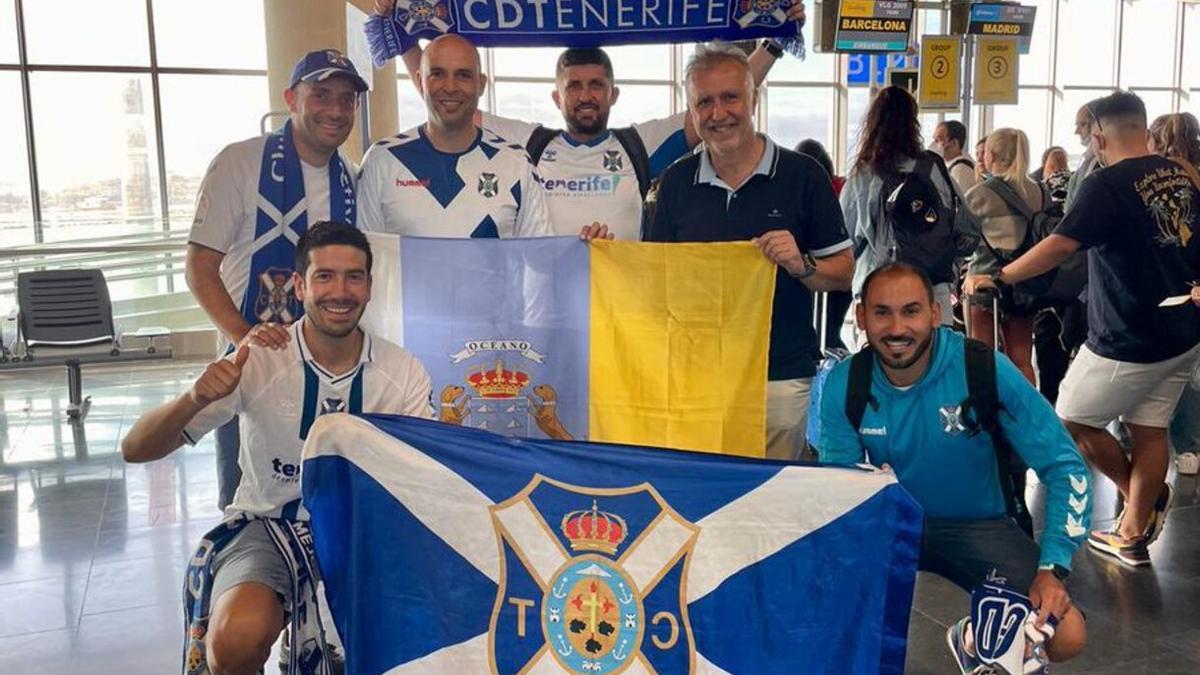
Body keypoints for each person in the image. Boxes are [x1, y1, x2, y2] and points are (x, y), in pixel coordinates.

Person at [123, 222, 434, 675]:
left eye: (354, 276)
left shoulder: (402, 371)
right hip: (269, 524)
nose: (340, 291)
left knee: (422, 629)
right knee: (234, 640)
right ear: (299, 285)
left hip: (365, 529)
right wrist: (195, 397)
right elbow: (136, 449)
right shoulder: (259, 357)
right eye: (325, 276)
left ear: (370, 287)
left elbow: (426, 474)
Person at [818, 262, 1089, 671]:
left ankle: (971, 637)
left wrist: (1053, 567)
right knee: (821, 607)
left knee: (1067, 636)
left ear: (935, 313)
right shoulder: (845, 383)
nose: (897, 328)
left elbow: (1065, 466)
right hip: (892, 525)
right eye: (881, 312)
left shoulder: (982, 369)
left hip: (980, 525)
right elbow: (840, 492)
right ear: (860, 316)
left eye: (910, 311)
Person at [968, 90, 1200, 566]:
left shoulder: (1107, 185)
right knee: (1150, 428)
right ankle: (1132, 530)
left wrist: (1002, 275)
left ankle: (1144, 502)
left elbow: (1059, 245)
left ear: (1097, 137)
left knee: (1072, 418)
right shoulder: (1184, 174)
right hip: (1182, 329)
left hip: (1127, 334)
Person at [375, 0, 807, 239]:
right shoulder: (530, 146)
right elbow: (450, 97)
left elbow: (722, 100)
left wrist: (775, 40)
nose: (585, 96)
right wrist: (402, 31)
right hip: (551, 315)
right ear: (556, 97)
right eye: (574, 86)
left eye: (596, 85)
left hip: (622, 313)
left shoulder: (639, 145)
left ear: (613, 93)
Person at [646, 44, 853, 461]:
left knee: (773, 503)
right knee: (704, 496)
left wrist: (801, 264)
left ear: (753, 98)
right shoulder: (676, 183)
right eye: (705, 102)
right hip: (698, 377)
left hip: (778, 375)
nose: (719, 113)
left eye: (730, 97)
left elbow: (845, 272)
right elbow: (656, 278)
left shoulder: (803, 176)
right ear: (691, 110)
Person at [186, 49, 368, 510]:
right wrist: (248, 340)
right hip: (252, 360)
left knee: (324, 495)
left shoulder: (348, 175)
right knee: (247, 496)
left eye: (347, 100)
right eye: (321, 95)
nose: (336, 109)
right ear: (291, 98)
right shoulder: (240, 163)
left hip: (325, 365)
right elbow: (199, 267)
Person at [357, 34, 554, 238]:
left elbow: (541, 258)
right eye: (437, 74)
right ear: (420, 81)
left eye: (463, 75)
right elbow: (363, 258)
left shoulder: (516, 164)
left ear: (481, 84)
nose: (450, 87)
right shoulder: (382, 160)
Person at [840, 86, 979, 323]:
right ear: (914, 124)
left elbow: (842, 244)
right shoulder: (935, 169)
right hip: (933, 292)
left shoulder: (862, 177)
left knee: (884, 357)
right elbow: (967, 230)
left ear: (871, 125)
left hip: (880, 294)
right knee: (936, 358)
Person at [964, 128, 1043, 386]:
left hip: (984, 280)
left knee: (981, 355)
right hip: (1026, 281)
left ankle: (985, 412)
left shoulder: (979, 194)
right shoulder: (1040, 191)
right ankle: (1026, 414)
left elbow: (962, 237)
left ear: (992, 155)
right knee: (1022, 359)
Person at [796, 138, 851, 353]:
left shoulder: (800, 190)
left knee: (817, 333)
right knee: (831, 333)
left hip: (811, 270)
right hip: (840, 271)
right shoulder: (843, 187)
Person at [1065, 101, 1103, 211]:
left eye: (1082, 124)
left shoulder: (1101, 163)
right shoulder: (1088, 161)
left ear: (1097, 125)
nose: (1076, 131)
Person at [933, 120, 978, 193]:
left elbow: (958, 202)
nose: (933, 144)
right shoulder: (948, 165)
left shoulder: (961, 170)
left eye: (938, 140)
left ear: (954, 142)